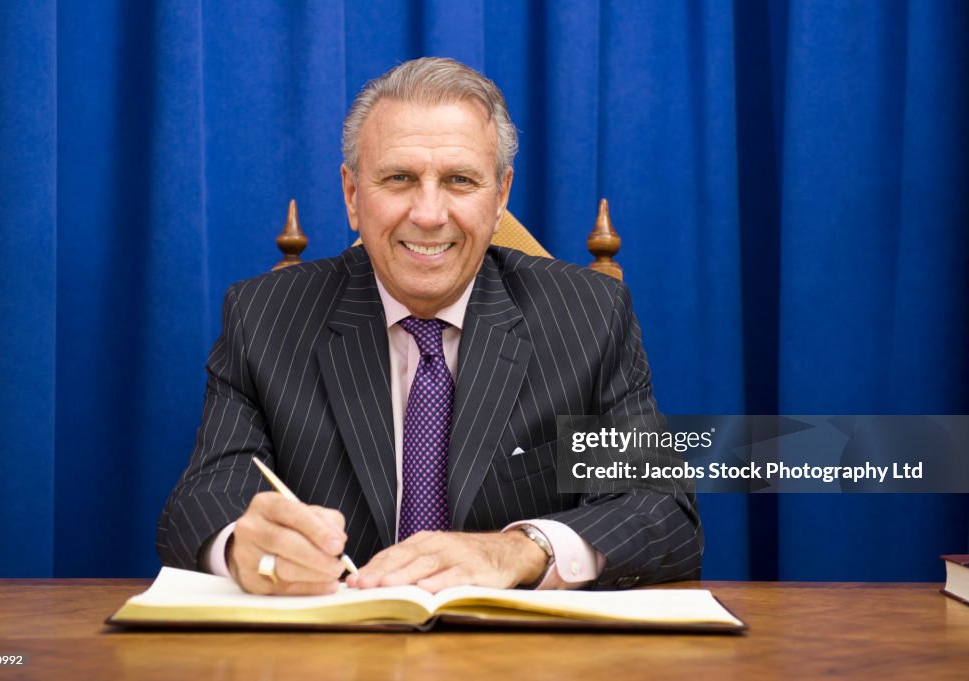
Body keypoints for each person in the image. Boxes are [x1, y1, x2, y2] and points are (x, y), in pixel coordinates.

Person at [156, 57, 702, 595]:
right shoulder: (263, 316)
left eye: (460, 180)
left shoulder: (588, 316)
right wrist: (243, 546)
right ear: (351, 194)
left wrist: (518, 549)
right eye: (399, 178)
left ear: (500, 197)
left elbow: (660, 507)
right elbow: (206, 495)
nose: (429, 213)